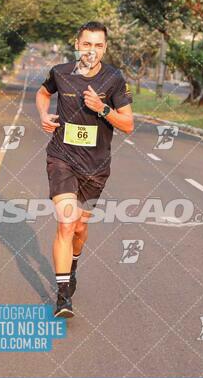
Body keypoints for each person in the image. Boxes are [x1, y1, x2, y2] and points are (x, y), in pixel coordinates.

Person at [36, 21, 134, 317]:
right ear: (77, 44)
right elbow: (42, 93)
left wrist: (102, 109)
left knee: (80, 227)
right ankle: (63, 296)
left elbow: (128, 125)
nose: (92, 50)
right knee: (66, 222)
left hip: (96, 164)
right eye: (87, 44)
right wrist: (43, 114)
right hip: (61, 157)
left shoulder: (114, 79)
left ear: (105, 48)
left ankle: (73, 262)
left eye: (99, 45)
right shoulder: (60, 73)